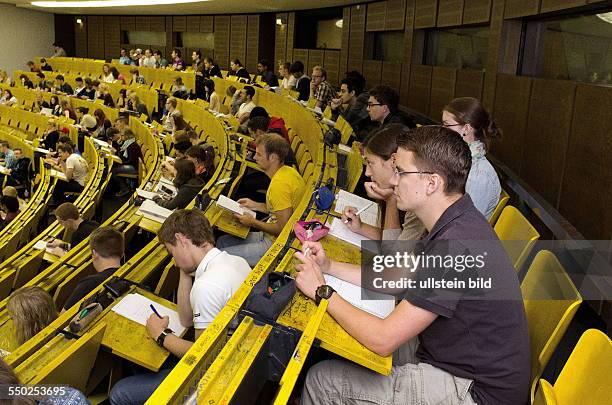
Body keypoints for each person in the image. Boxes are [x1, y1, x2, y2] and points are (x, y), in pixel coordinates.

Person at [294, 125, 530, 405]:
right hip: (455, 361)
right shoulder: (455, 220)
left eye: (402, 172)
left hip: (475, 393)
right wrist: (328, 265)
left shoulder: (455, 246)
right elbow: (396, 276)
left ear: (432, 183)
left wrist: (322, 291)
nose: (394, 182)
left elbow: (383, 340)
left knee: (323, 381)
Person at [109, 209, 251, 405]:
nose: (173, 261)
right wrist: (185, 270)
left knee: (119, 393)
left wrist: (161, 335)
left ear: (181, 240)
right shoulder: (235, 261)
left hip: (215, 379)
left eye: (172, 252)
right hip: (236, 355)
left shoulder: (207, 286)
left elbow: (201, 356)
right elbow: (186, 319)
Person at [217, 134, 306, 266]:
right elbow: (281, 210)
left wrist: (253, 222)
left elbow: (282, 229)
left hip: (276, 245)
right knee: (221, 242)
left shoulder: (279, 185)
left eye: (259, 154)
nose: (254, 157)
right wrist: (256, 205)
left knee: (219, 257)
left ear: (273, 158)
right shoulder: (288, 171)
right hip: (270, 235)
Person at [342, 125, 425, 241]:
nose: (367, 173)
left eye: (370, 163)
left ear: (393, 161)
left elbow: (393, 253)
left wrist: (391, 200)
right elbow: (396, 238)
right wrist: (360, 227)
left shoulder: (418, 204)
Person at [442, 97, 502, 219]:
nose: (443, 130)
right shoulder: (460, 160)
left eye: (447, 125)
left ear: (466, 129)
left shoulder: (479, 175)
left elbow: (464, 224)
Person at [61, 227, 123, 312]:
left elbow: (63, 317)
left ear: (94, 254)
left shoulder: (89, 284)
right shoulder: (130, 274)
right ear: (122, 253)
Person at [112, 128, 143, 197]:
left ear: (127, 136)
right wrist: (119, 144)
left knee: (114, 170)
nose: (121, 137)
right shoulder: (127, 143)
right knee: (115, 167)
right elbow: (121, 155)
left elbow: (131, 161)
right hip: (131, 165)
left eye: (122, 135)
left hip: (134, 167)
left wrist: (121, 163)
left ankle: (124, 188)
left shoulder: (132, 146)